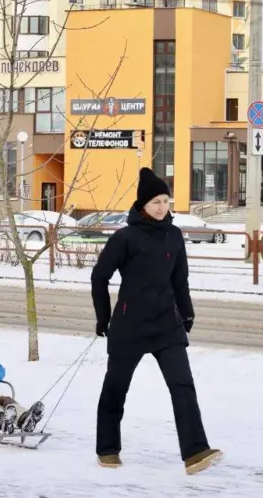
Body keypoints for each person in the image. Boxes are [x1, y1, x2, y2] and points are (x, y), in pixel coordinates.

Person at [90, 167, 222, 475]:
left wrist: (187, 314)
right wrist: (103, 317)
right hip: (129, 326)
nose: (162, 207)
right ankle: (107, 449)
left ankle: (195, 452)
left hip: (167, 326)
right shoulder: (125, 238)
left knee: (183, 386)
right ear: (142, 205)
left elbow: (181, 281)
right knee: (116, 388)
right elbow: (99, 277)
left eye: (165, 200)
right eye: (156, 202)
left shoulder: (174, 236)